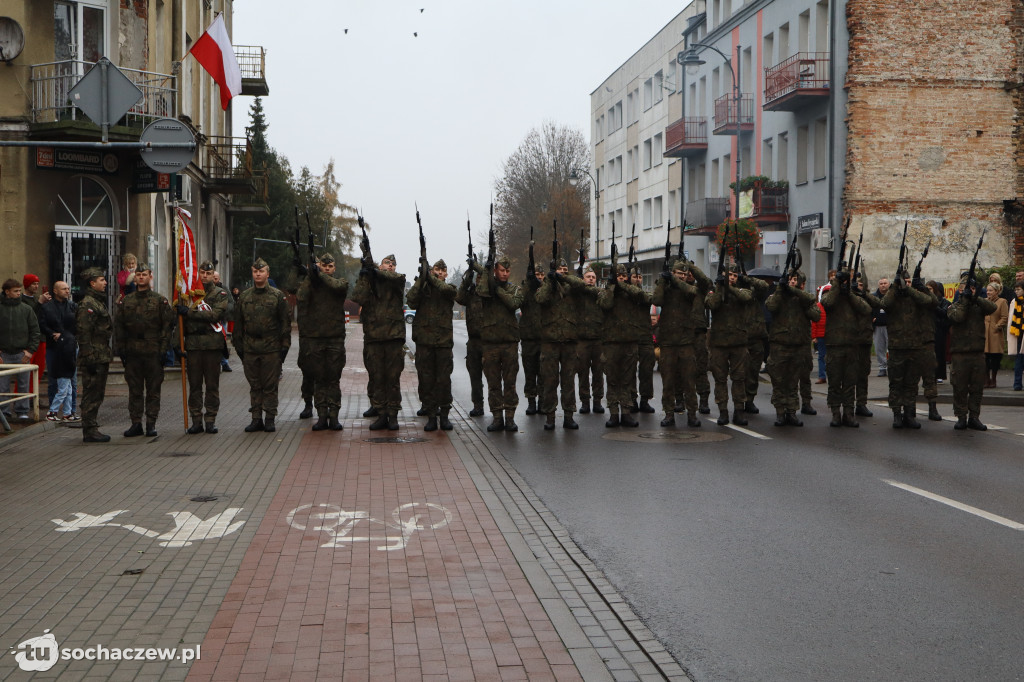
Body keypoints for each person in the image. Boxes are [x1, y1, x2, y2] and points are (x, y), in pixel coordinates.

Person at [115, 263, 174, 437]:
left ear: (150, 276)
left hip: (153, 351)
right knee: (135, 390)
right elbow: (120, 327)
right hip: (133, 352)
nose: (141, 277)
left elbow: (167, 326)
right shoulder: (127, 301)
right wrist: (122, 350)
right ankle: (136, 423)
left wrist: (164, 350)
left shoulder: (159, 300)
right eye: (138, 274)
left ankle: (151, 423)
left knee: (153, 390)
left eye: (144, 274)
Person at [233, 258, 291, 433]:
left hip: (271, 348)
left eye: (261, 271)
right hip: (250, 348)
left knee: (270, 386)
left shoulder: (277, 296)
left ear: (268, 273)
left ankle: (270, 418)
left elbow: (285, 324)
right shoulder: (244, 296)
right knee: (255, 385)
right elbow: (238, 325)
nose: (258, 274)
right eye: (255, 271)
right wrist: (239, 348)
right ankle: (256, 418)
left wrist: (284, 348)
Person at [294, 252, 349, 431]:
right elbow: (301, 297)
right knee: (319, 379)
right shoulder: (312, 284)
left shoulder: (340, 283)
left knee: (333, 379)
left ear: (334, 268)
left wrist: (320, 276)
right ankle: (321, 415)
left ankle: (334, 416)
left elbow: (337, 287)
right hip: (315, 339)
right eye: (323, 266)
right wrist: (311, 277)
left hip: (334, 338)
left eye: (330, 266)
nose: (326, 269)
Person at [351, 254, 406, 430]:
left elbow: (396, 278)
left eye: (393, 264)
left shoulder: (397, 280)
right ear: (380, 265)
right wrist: (364, 274)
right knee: (378, 377)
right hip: (374, 336)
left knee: (393, 378)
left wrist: (376, 271)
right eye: (386, 263)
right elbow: (358, 296)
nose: (390, 266)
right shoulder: (371, 281)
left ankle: (393, 414)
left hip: (393, 337)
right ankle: (381, 413)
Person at [176, 261, 231, 434]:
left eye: (208, 273)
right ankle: (196, 420)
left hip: (212, 346)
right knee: (194, 386)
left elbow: (215, 315)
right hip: (193, 346)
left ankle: (210, 419)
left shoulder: (220, 294)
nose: (205, 276)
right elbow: (179, 324)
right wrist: (177, 344)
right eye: (202, 273)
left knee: (212, 385)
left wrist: (190, 312)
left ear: (213, 274)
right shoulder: (189, 294)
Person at [881, 270, 937, 429]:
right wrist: (895, 286)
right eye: (904, 281)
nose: (906, 283)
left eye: (908, 281)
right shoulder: (893, 297)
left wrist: (913, 289)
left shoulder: (915, 296)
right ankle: (897, 415)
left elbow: (931, 302)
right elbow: (884, 304)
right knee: (896, 383)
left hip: (915, 347)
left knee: (911, 384)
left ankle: (909, 414)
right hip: (897, 347)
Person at [473, 255, 523, 432]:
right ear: (495, 271)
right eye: (502, 270)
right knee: (493, 383)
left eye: (507, 271)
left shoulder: (514, 289)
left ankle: (509, 418)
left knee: (510, 383)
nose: (505, 273)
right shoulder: (487, 288)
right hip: (491, 344)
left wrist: (497, 288)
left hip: (509, 343)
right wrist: (486, 274)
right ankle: (496, 417)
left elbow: (513, 304)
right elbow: (480, 291)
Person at [765, 269, 820, 426]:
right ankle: (780, 412)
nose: (792, 282)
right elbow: (771, 307)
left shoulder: (804, 299)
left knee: (793, 381)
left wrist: (796, 293)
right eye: (789, 279)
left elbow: (816, 315)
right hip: (779, 346)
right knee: (779, 381)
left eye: (795, 279)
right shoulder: (778, 296)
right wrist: (780, 290)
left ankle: (792, 411)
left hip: (798, 346)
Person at [535, 258, 585, 430]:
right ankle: (550, 416)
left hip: (570, 341)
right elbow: (540, 299)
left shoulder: (571, 285)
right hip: (550, 342)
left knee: (568, 381)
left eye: (564, 269)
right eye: (559, 269)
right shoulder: (547, 286)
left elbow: (582, 284)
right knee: (550, 381)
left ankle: (569, 415)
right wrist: (550, 280)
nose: (562, 271)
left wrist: (563, 278)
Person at [407, 258, 456, 431]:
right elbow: (411, 300)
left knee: (443, 380)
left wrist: (431, 276)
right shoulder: (423, 288)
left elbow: (446, 291)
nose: (440, 272)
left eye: (443, 270)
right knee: (427, 379)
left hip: (443, 342)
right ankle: (431, 415)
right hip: (424, 342)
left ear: (446, 274)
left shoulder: (449, 288)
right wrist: (422, 279)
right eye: (437, 269)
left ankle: (444, 415)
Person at [822, 269, 872, 427]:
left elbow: (866, 309)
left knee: (850, 383)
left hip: (852, 346)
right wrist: (836, 285)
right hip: (834, 346)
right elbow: (827, 303)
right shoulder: (830, 296)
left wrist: (849, 292)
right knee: (835, 383)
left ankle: (849, 414)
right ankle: (836, 413)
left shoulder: (853, 298)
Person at [653, 260, 701, 427]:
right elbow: (656, 300)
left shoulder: (689, 287)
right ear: (672, 272)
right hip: (667, 342)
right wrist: (662, 280)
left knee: (689, 381)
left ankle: (692, 414)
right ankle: (668, 413)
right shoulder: (665, 288)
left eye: (684, 274)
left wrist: (676, 280)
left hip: (685, 341)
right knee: (668, 381)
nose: (681, 276)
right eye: (678, 274)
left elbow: (693, 292)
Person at [598, 264, 645, 427]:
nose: (621, 278)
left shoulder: (631, 292)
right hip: (611, 343)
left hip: (630, 342)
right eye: (618, 276)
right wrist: (612, 287)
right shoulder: (607, 291)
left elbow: (642, 295)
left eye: (623, 276)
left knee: (627, 380)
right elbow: (605, 305)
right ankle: (613, 413)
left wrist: (623, 286)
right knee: (612, 380)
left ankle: (626, 412)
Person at [705, 263, 753, 426]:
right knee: (720, 379)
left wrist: (728, 287)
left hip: (738, 342)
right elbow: (711, 304)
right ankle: (723, 411)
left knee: (739, 378)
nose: (731, 277)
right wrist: (720, 288)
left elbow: (746, 298)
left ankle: (739, 411)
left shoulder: (742, 290)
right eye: (729, 275)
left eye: (734, 275)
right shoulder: (714, 290)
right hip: (719, 343)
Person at [947, 277, 997, 429]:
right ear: (960, 290)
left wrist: (976, 298)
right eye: (967, 289)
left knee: (977, 388)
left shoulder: (979, 306)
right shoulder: (954, 307)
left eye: (973, 288)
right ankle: (961, 416)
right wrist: (965, 300)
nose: (970, 291)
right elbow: (958, 317)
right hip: (960, 354)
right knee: (960, 387)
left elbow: (992, 308)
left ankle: (974, 417)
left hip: (977, 353)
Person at [76, 268, 113, 442]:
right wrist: (88, 356)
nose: (105, 283)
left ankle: (91, 427)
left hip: (101, 355)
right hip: (94, 356)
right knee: (92, 393)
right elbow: (83, 332)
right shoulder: (88, 304)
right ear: (92, 283)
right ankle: (89, 430)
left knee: (97, 393)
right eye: (101, 280)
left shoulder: (98, 301)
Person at [0, 278, 42, 422]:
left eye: (19, 291)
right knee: (2, 385)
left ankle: (22, 411)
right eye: (15, 291)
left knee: (24, 383)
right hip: (3, 353)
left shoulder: (26, 309)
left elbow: (35, 331)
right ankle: (4, 411)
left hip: (21, 353)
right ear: (7, 292)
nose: (19, 293)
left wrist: (30, 351)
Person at [38, 281, 78, 420]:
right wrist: (52, 334)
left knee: (71, 381)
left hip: (70, 346)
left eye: (68, 288)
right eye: (64, 289)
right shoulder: (47, 307)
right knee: (54, 380)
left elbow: (78, 324)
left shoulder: (73, 306)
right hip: (53, 347)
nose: (67, 291)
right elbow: (42, 324)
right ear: (55, 291)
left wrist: (69, 336)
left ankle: (70, 411)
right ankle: (53, 410)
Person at [738, 272, 770, 414]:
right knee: (739, 373)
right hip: (739, 339)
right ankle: (739, 401)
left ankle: (749, 400)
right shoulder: (734, 292)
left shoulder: (756, 294)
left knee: (753, 372)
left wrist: (748, 279)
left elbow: (764, 286)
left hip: (756, 338)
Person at [456, 266, 485, 417]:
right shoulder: (471, 293)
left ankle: (498, 409)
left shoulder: (490, 293)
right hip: (473, 342)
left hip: (489, 341)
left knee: (494, 378)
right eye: (477, 278)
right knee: (475, 376)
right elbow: (459, 298)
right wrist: (468, 278)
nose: (480, 282)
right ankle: (478, 405)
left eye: (482, 278)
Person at [574, 267, 604, 415]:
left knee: (598, 372)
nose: (591, 279)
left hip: (598, 339)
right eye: (588, 276)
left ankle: (597, 401)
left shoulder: (599, 293)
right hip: (582, 340)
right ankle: (585, 401)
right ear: (583, 278)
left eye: (593, 276)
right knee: (582, 372)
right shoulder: (578, 294)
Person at [852, 273, 881, 418]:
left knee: (863, 373)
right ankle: (847, 403)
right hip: (849, 340)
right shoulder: (848, 296)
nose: (859, 286)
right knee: (849, 374)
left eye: (862, 284)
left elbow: (877, 304)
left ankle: (861, 403)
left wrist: (864, 294)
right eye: (857, 284)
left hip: (864, 340)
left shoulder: (868, 297)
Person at [627, 269, 656, 415]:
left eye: (639, 277)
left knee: (646, 370)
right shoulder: (625, 294)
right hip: (630, 336)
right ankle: (631, 399)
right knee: (630, 370)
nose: (637, 279)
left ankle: (645, 400)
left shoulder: (645, 293)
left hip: (645, 337)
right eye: (634, 277)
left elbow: (650, 299)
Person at [518, 265, 545, 416]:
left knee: (543, 372)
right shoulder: (526, 289)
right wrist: (528, 284)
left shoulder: (546, 288)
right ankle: (531, 401)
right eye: (537, 274)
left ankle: (542, 400)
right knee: (530, 372)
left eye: (541, 274)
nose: (539, 277)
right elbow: (519, 301)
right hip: (528, 338)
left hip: (543, 337)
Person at [984, 282, 1008, 387]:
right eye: (987, 290)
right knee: (984, 358)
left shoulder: (1002, 302)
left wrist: (997, 326)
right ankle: (986, 379)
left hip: (995, 334)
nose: (988, 292)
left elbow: (1004, 317)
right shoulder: (984, 301)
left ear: (997, 291)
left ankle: (993, 379)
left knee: (995, 358)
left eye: (991, 290)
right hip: (984, 333)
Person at [928, 280, 951, 386]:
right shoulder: (926, 301)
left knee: (939, 353)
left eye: (930, 289)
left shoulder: (944, 302)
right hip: (928, 329)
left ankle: (939, 374)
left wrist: (933, 305)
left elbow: (943, 313)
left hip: (939, 330)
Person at [213, 271, 233, 373]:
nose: (214, 280)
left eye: (216, 278)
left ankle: (224, 362)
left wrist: (222, 311)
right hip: (210, 320)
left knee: (222, 341)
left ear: (219, 278)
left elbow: (230, 303)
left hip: (221, 320)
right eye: (213, 278)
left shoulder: (224, 289)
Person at [1007, 281, 1024, 391]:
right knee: (1019, 359)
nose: (1016, 291)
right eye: (1015, 289)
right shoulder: (1014, 301)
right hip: (1018, 333)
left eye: (1018, 289)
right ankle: (1017, 383)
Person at [873, 277, 890, 377]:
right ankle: (882, 368)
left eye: (885, 283)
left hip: (889, 326)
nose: (883, 285)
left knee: (890, 348)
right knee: (879, 348)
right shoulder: (874, 297)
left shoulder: (892, 296)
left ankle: (890, 366)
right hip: (878, 326)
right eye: (881, 283)